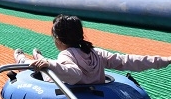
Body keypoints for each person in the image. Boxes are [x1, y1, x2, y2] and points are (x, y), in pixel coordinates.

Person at [14, 14, 171, 85]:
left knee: (42, 70)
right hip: (97, 93)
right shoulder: (95, 53)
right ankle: (38, 56)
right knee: (46, 65)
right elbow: (127, 61)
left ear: (58, 39)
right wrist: (163, 60)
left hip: (68, 89)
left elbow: (74, 75)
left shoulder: (66, 55)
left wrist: (50, 64)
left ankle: (24, 59)